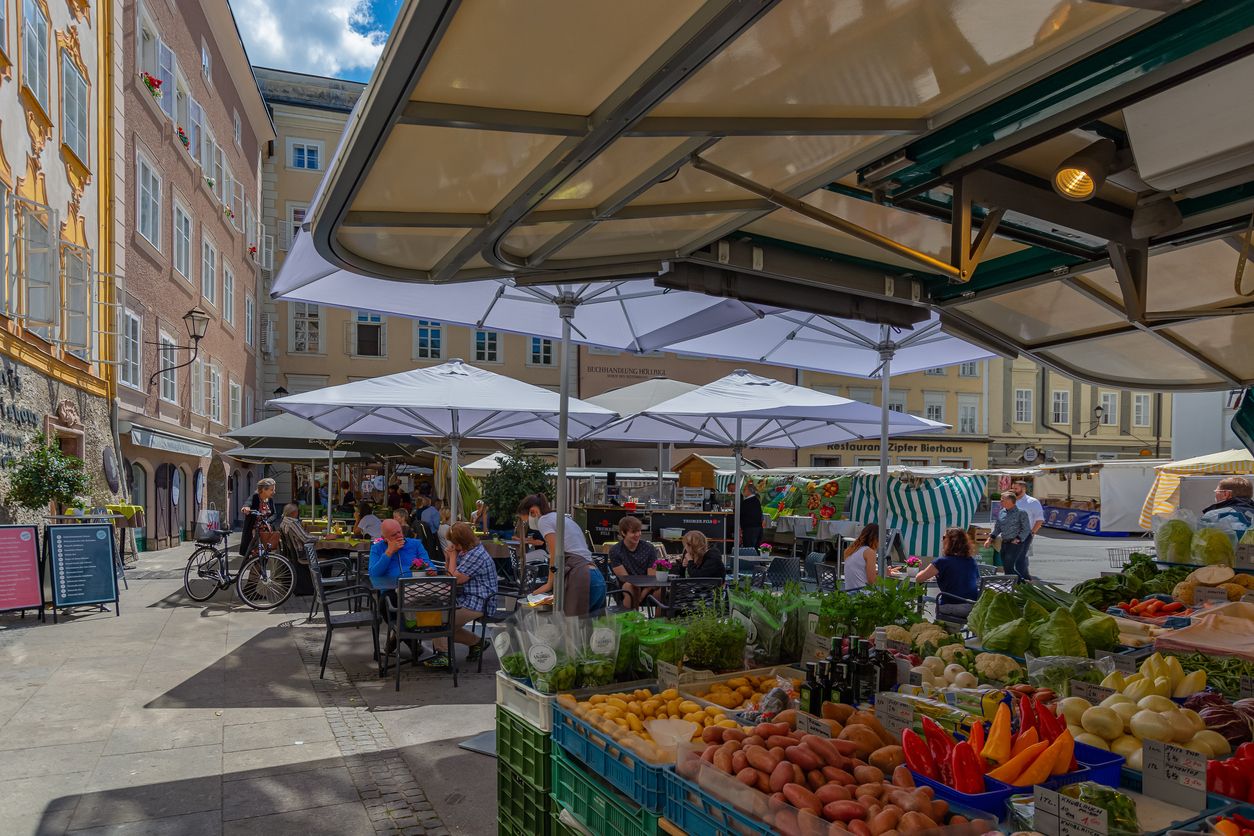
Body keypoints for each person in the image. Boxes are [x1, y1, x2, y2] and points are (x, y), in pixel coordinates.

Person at [424, 522, 498, 669]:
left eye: (454, 543)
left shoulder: (476, 555)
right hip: (466, 598)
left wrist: (452, 556)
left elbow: (454, 580)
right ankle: (477, 643)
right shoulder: (468, 552)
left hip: (478, 602)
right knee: (434, 618)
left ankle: (444, 655)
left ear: (461, 542)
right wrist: (448, 558)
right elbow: (449, 574)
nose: (452, 545)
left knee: (438, 618)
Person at [518, 494, 605, 616]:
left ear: (533, 511)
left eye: (526, 521)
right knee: (592, 626)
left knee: (573, 625)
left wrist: (549, 583)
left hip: (582, 578)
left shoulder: (544, 520)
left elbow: (555, 553)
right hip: (597, 576)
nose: (528, 525)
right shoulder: (562, 519)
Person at [368, 518, 431, 653]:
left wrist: (429, 569)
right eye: (393, 535)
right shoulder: (377, 548)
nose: (398, 536)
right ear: (384, 538)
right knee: (385, 604)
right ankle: (411, 642)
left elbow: (428, 564)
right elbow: (374, 574)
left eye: (399, 532)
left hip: (416, 589)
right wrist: (389, 552)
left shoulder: (415, 544)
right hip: (391, 590)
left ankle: (398, 636)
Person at [914, 528, 981, 620]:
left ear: (951, 541)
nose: (942, 540)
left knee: (927, 599)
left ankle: (942, 627)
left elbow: (919, 578)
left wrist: (922, 572)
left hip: (952, 605)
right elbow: (968, 578)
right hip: (974, 607)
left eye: (944, 537)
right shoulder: (971, 561)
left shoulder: (942, 561)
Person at [607, 515, 656, 609]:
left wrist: (641, 596)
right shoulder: (615, 550)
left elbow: (652, 577)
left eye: (639, 531)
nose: (638, 534)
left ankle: (660, 617)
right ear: (623, 533)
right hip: (627, 585)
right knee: (630, 586)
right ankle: (630, 616)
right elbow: (624, 578)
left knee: (660, 590)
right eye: (633, 532)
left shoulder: (649, 548)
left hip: (647, 585)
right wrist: (637, 591)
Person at [991, 492, 1032, 582]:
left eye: (1002, 500)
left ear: (1010, 501)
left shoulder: (1021, 513)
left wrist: (1018, 539)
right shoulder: (1001, 512)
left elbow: (1026, 529)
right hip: (1004, 542)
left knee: (1009, 566)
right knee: (1006, 566)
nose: (1000, 501)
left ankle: (1022, 583)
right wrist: (991, 538)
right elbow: (997, 528)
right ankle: (1010, 582)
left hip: (1015, 543)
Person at [1011, 480, 1044, 580]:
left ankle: (1024, 579)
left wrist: (1032, 532)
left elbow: (1039, 519)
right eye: (1013, 488)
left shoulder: (1032, 502)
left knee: (1022, 557)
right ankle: (1016, 578)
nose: (1013, 490)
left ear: (1024, 489)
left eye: (1016, 488)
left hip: (1024, 535)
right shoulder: (1011, 500)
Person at [239, 478, 279, 556]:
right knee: (255, 555)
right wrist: (245, 508)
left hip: (266, 532)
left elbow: (274, 514)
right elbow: (248, 502)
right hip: (254, 532)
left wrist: (267, 521)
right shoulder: (255, 497)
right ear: (264, 489)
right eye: (272, 490)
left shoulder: (270, 500)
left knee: (265, 556)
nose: (274, 492)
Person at [842, 524, 879, 593]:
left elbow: (859, 572)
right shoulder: (869, 552)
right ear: (876, 538)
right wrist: (884, 574)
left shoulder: (851, 550)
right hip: (862, 594)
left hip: (849, 592)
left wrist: (880, 572)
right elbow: (872, 581)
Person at [739, 481, 765, 552]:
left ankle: (751, 560)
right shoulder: (756, 500)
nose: (743, 491)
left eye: (745, 489)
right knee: (755, 549)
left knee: (749, 549)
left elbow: (740, 514)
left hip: (750, 529)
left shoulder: (747, 502)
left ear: (749, 491)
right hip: (757, 528)